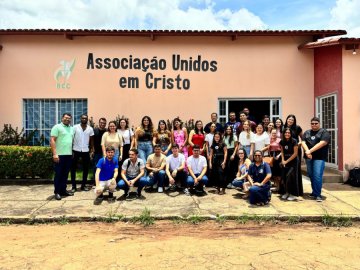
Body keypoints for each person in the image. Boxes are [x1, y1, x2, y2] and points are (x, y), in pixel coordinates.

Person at [301, 117, 330, 202]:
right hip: (308, 158)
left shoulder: (324, 132)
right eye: (312, 123)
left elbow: (323, 143)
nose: (314, 125)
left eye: (316, 123)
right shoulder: (307, 132)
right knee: (310, 174)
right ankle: (314, 192)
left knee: (317, 175)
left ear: (319, 123)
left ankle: (318, 195)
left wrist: (309, 151)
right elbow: (303, 142)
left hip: (319, 158)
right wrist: (307, 151)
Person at [50, 113, 75, 200]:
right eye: (66, 118)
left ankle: (63, 190)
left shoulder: (71, 129)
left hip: (68, 155)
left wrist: (71, 152)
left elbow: (70, 141)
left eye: (69, 118)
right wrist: (54, 154)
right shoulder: (57, 127)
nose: (67, 119)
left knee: (65, 174)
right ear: (62, 118)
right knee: (58, 174)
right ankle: (57, 192)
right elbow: (52, 140)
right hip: (59, 155)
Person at [70, 114, 94, 192]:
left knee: (86, 169)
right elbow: (71, 138)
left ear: (87, 120)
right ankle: (73, 186)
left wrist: (92, 150)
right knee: (73, 168)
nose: (84, 119)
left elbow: (91, 141)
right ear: (80, 119)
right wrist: (71, 150)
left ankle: (83, 185)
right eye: (83, 118)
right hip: (75, 150)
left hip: (85, 151)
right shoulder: (75, 127)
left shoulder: (90, 129)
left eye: (85, 118)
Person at [284, 114, 303, 196]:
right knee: (287, 172)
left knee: (295, 171)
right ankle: (286, 191)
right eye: (289, 119)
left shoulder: (297, 128)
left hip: (296, 152)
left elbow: (303, 139)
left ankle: (296, 191)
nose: (290, 121)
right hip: (286, 152)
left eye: (292, 120)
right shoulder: (284, 128)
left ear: (294, 121)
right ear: (287, 119)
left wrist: (296, 145)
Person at [280, 128, 299, 201]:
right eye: (286, 133)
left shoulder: (294, 141)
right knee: (285, 177)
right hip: (285, 161)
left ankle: (293, 194)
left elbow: (295, 154)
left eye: (289, 133)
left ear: (291, 134)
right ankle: (287, 192)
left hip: (293, 162)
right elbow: (282, 152)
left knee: (291, 177)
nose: (287, 134)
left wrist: (286, 161)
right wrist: (282, 160)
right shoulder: (282, 141)